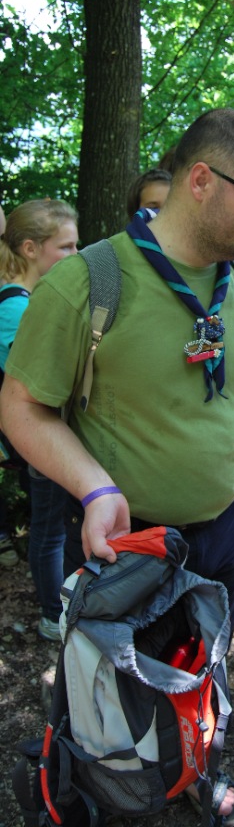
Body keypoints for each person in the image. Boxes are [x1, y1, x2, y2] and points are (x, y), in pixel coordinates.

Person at [0, 108, 234, 823]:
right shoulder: (88, 282)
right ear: (203, 180)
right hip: (128, 545)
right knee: (106, 687)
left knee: (205, 664)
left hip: (224, 530)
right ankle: (87, 788)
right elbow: (21, 407)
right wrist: (93, 486)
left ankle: (194, 765)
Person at [0, 200, 79, 638]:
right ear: (30, 249)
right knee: (50, 529)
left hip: (46, 432)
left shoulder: (28, 300)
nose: (75, 255)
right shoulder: (16, 308)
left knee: (54, 524)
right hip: (40, 434)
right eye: (65, 247)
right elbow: (43, 383)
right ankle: (53, 616)